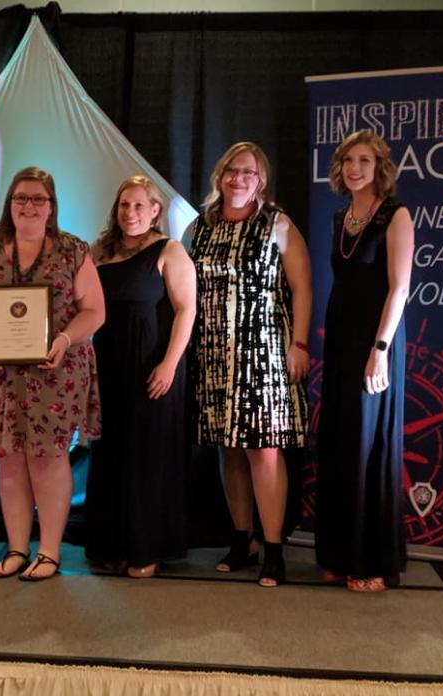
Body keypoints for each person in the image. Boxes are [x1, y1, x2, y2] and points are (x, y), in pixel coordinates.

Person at [0, 166, 104, 581]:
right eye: (21, 198)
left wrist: (65, 339)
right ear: (9, 203)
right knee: (10, 463)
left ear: (52, 206)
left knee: (48, 460)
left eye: (39, 199)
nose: (29, 206)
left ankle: (49, 552)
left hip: (55, 373)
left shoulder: (74, 250)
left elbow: (95, 311)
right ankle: (18, 549)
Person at [185, 141, 311, 588]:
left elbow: (302, 286)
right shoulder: (198, 228)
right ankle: (243, 539)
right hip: (213, 354)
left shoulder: (277, 224)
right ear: (220, 176)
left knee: (265, 449)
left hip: (265, 352)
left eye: (248, 172)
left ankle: (273, 547)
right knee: (230, 449)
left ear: (261, 181)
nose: (238, 178)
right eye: (232, 170)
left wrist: (299, 344)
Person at [314, 130, 416, 593]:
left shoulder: (396, 215)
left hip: (375, 342)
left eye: (365, 161)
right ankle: (338, 554)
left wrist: (380, 351)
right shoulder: (342, 216)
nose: (355, 168)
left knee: (366, 446)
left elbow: (399, 288)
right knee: (339, 442)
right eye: (348, 160)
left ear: (380, 168)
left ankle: (370, 559)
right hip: (341, 340)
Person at [85, 176, 196, 579]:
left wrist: (169, 365)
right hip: (108, 365)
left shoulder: (170, 250)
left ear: (154, 211)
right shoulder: (99, 251)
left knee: (148, 457)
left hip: (153, 367)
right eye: (124, 205)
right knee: (112, 454)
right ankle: (113, 545)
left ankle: (147, 548)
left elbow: (187, 311)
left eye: (138, 205)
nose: (130, 213)